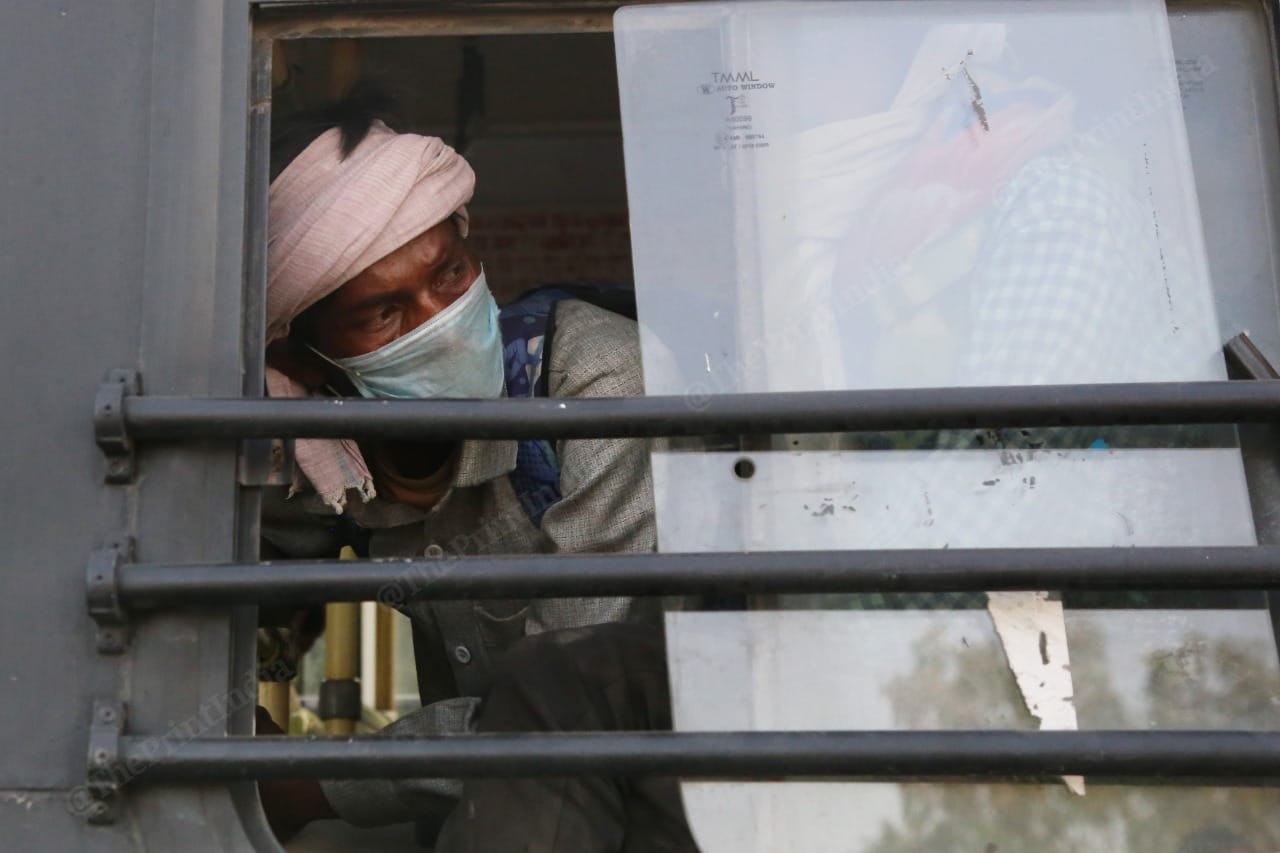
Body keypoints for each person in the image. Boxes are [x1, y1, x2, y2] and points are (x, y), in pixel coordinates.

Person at [257, 94, 699, 852]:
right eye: (385, 314)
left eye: (451, 272)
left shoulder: (594, 385)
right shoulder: (325, 444)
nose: (440, 317)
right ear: (305, 357)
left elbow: (580, 703)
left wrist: (319, 779)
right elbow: (245, 578)